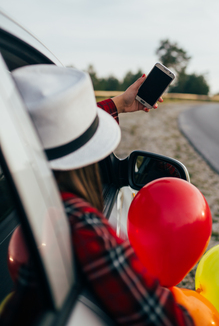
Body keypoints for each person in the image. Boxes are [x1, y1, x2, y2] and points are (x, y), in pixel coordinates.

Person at [10, 64, 194, 326]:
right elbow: (166, 319)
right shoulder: (79, 224)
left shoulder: (33, 202)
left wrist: (120, 103)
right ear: (90, 159)